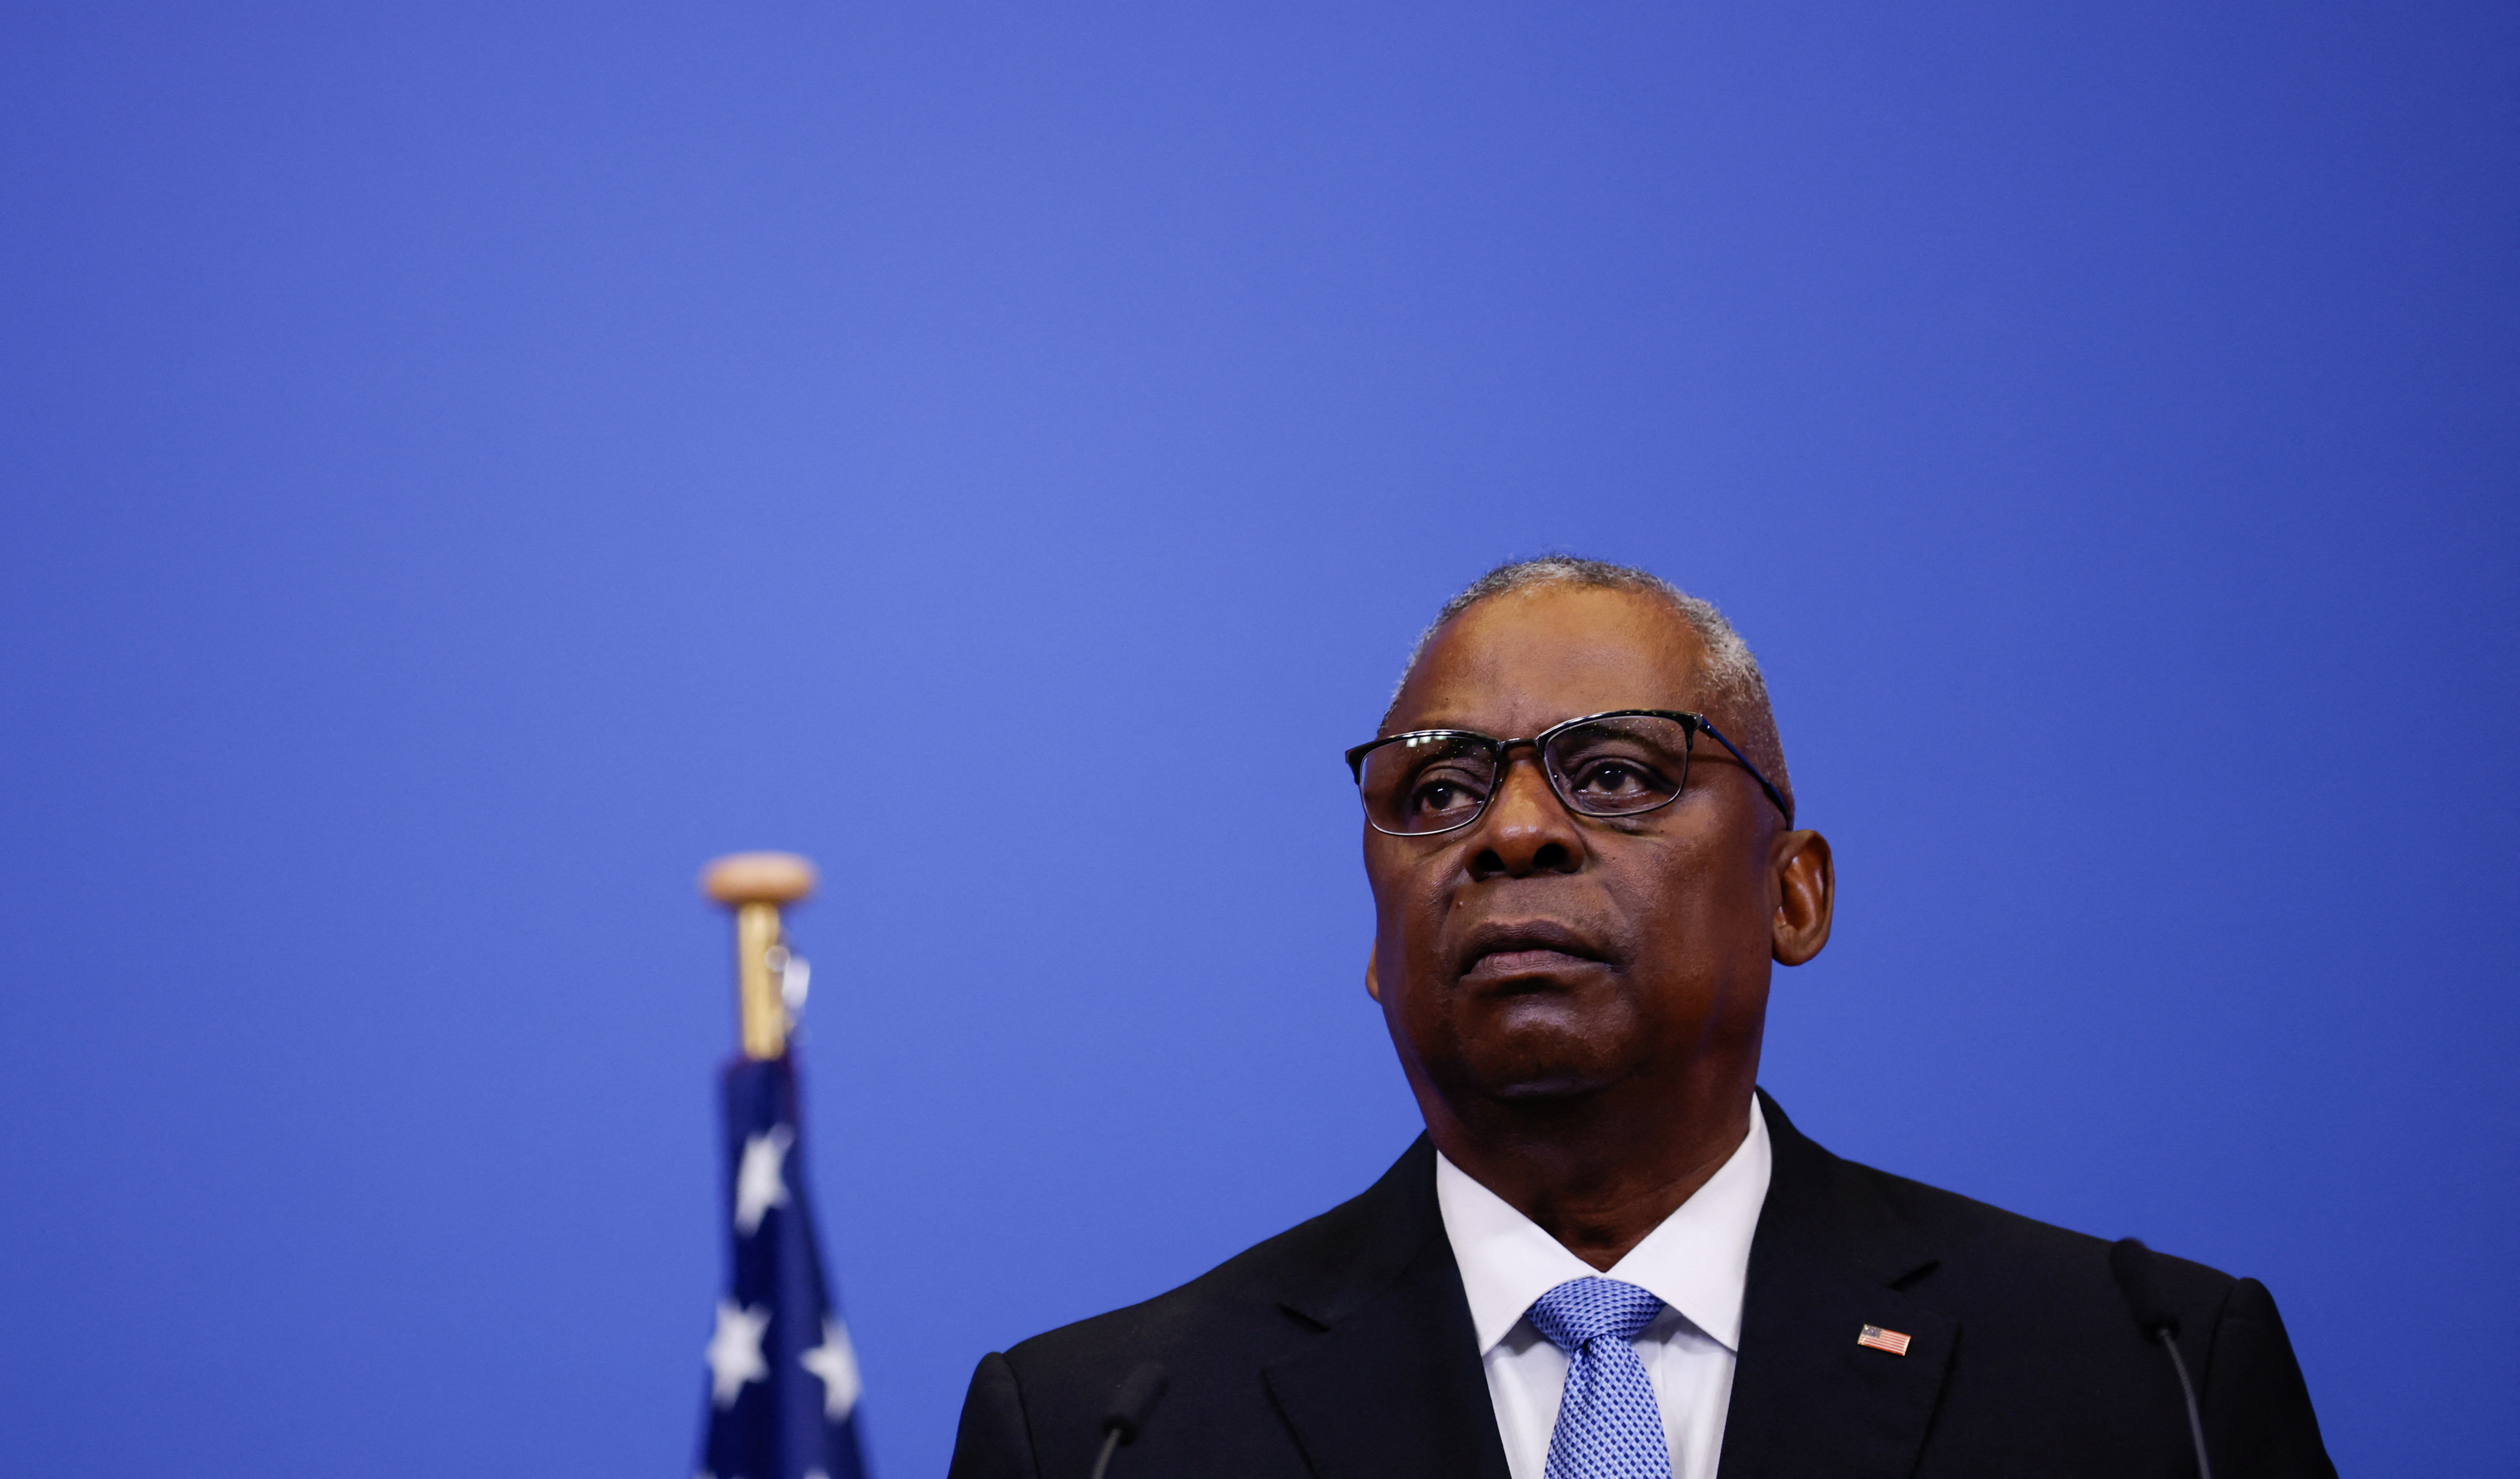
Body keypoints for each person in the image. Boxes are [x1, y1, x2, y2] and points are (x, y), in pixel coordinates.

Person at [947, 556, 2334, 1479]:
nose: (1512, 833)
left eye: (1612, 773)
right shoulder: (1103, 1435)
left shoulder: (2146, 1384)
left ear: (1793, 897)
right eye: (1435, 795)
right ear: (1375, 941)